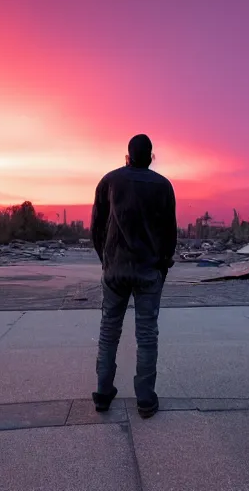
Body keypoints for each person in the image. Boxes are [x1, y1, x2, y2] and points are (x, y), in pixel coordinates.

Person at [90, 134, 177, 419]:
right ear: (151, 157)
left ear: (127, 155)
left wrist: (107, 260)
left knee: (108, 332)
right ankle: (145, 400)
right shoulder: (163, 186)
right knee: (147, 336)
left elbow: (97, 229)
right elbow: (170, 234)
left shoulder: (109, 182)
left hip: (116, 270)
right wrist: (161, 265)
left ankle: (103, 394)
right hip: (148, 271)